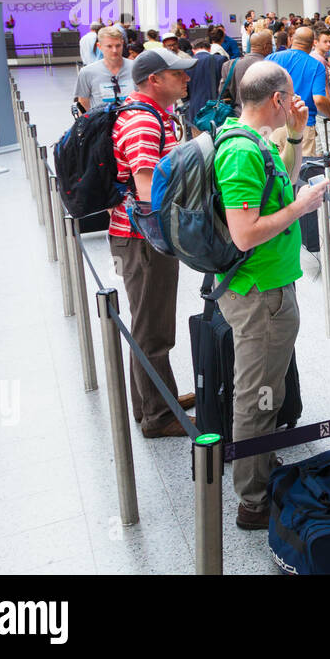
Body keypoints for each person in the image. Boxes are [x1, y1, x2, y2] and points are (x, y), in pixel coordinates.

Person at [214, 62, 326, 530]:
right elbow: (244, 234)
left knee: (268, 389)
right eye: (292, 97)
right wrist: (302, 207)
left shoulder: (260, 141)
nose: (296, 102)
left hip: (272, 289)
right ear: (276, 99)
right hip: (259, 295)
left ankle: (260, 465)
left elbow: (279, 183)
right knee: (257, 395)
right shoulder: (240, 151)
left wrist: (297, 137)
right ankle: (253, 500)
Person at [109, 48, 200, 438]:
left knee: (150, 323)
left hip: (139, 234)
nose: (185, 79)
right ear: (153, 81)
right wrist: (176, 231)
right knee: (152, 329)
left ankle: (154, 399)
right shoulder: (143, 123)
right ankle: (157, 416)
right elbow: (146, 188)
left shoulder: (147, 113)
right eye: (176, 74)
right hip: (142, 237)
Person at [74, 26, 134, 111]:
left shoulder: (135, 68)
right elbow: (83, 104)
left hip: (131, 121)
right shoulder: (87, 72)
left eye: (118, 46)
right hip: (102, 122)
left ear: (123, 44)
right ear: (99, 46)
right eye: (109, 46)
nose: (114, 50)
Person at [184, 38, 226, 134]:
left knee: (199, 146)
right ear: (209, 48)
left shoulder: (187, 65)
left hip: (195, 115)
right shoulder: (220, 60)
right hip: (218, 112)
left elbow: (185, 95)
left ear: (193, 50)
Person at [222, 28, 271, 105]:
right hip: (262, 114)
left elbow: (223, 93)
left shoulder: (229, 65)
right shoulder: (270, 66)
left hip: (237, 114)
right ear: (266, 46)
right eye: (271, 44)